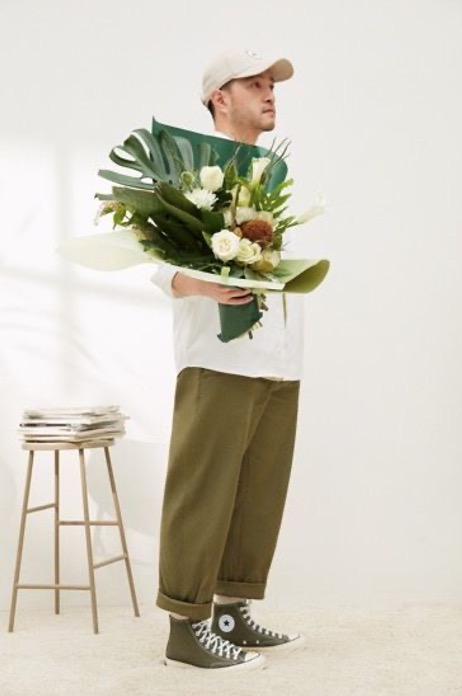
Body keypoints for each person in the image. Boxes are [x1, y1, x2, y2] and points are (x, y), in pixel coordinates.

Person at [151, 48, 306, 671]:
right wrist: (198, 284)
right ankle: (185, 629)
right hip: (216, 357)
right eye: (256, 84)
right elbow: (152, 256)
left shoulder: (271, 170)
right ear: (220, 97)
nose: (271, 94)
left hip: (277, 357)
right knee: (202, 491)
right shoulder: (190, 167)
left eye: (273, 85)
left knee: (257, 492)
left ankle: (230, 613)